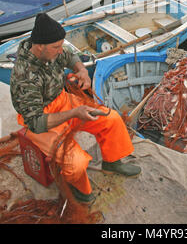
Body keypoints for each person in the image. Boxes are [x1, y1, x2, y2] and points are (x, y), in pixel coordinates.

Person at [10, 13, 141, 204]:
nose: (60, 50)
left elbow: (70, 56)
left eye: (60, 45)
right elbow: (36, 123)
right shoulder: (24, 77)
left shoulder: (50, 48)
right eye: (56, 47)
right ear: (39, 46)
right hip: (42, 121)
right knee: (76, 163)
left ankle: (112, 162)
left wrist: (81, 71)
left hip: (63, 102)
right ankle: (78, 189)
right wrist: (74, 113)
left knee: (110, 118)